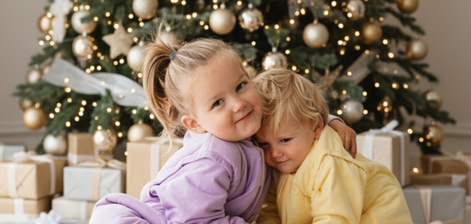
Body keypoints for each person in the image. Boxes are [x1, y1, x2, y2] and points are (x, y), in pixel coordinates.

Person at [89, 31, 356, 223]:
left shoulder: (244, 118)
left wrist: (331, 121)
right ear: (195, 124)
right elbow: (196, 220)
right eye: (218, 102)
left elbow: (292, 109)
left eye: (241, 85)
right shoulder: (212, 159)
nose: (238, 104)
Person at [253, 68, 412, 224]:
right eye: (264, 144)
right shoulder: (280, 163)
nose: (274, 153)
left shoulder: (328, 161)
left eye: (285, 140)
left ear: (316, 128)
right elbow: (269, 207)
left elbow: (335, 218)